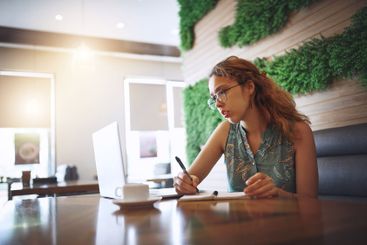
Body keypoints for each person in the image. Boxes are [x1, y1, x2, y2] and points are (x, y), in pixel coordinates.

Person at [174, 56, 318, 199]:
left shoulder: (298, 131)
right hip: (237, 221)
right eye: (214, 98)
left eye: (222, 92)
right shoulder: (225, 131)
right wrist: (183, 182)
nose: (217, 104)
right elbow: (191, 178)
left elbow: (310, 200)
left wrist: (278, 194)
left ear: (249, 87)